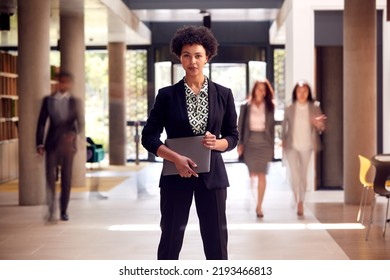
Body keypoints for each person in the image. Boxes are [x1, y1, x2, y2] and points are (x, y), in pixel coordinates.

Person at [141, 25, 238, 260]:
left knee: (216, 244)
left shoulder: (224, 94)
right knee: (170, 241)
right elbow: (149, 137)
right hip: (176, 176)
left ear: (207, 57)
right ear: (179, 57)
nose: (192, 61)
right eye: (186, 55)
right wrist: (176, 158)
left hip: (212, 178)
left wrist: (217, 144)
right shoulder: (166, 96)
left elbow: (233, 136)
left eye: (197, 55)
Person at [36, 71, 83, 222]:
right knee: (50, 178)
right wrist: (39, 143)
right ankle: (51, 210)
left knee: (66, 179)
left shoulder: (75, 102)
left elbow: (79, 123)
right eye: (61, 82)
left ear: (70, 84)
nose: (63, 85)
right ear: (57, 83)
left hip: (68, 146)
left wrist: (73, 134)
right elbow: (41, 123)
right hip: (51, 144)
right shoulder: (48, 100)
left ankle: (64, 210)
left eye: (66, 82)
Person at [281, 80, 326, 216]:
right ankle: (297, 201)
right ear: (295, 92)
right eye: (299, 91)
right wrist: (282, 140)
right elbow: (284, 127)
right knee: (294, 175)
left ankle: (302, 200)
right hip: (291, 146)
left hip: (307, 146)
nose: (302, 93)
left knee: (303, 175)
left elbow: (321, 127)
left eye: (305, 91)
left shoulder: (314, 106)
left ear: (309, 92)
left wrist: (318, 124)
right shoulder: (290, 107)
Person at [237, 79, 275, 218]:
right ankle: (254, 199)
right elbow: (240, 126)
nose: (261, 91)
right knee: (252, 173)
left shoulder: (270, 106)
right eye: (258, 88)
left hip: (265, 143)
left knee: (262, 175)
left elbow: (271, 128)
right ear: (254, 90)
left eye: (263, 89)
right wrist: (239, 144)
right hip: (250, 142)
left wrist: (272, 147)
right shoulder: (246, 106)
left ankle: (259, 206)